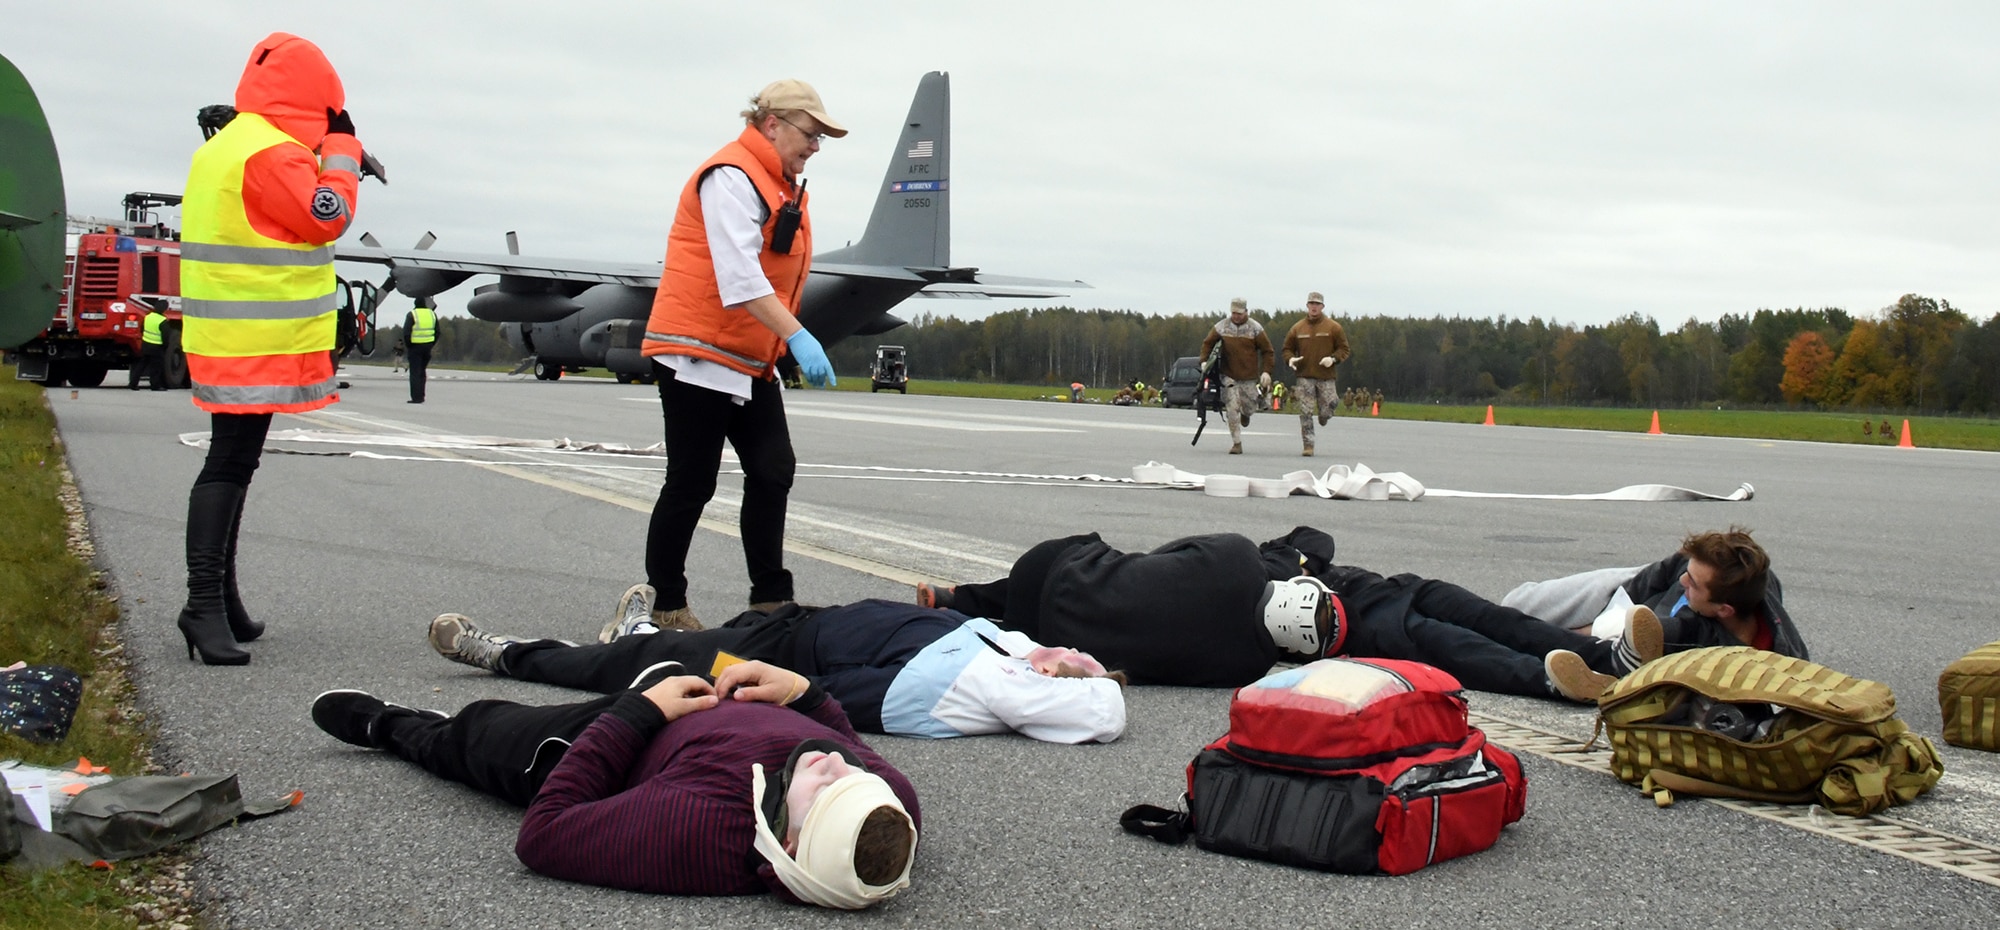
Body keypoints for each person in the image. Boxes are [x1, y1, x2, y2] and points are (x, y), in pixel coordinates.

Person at [310, 659, 919, 907]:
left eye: (828, 790)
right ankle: (530, 652)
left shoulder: (698, 828)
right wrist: (804, 694)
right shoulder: (887, 798)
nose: (836, 764)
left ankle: (394, 726)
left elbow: (543, 837)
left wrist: (638, 715)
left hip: (615, 740)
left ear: (788, 848)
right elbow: (852, 744)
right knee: (674, 652)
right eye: (853, 777)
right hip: (695, 691)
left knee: (485, 737)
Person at [915, 527, 1663, 702]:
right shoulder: (1237, 559)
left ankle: (1578, 670)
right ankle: (1587, 665)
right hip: (1352, 594)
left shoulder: (1236, 661)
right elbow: (1304, 543)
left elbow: (1004, 607)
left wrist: (952, 606)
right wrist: (1303, 562)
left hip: (1331, 616)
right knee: (1460, 620)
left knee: (1443, 638)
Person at [174, 33, 365, 665]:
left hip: (225, 331)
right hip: (250, 337)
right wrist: (340, 151)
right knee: (228, 464)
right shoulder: (273, 153)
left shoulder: (228, 145)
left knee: (236, 461)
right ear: (317, 97)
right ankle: (202, 604)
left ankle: (221, 601)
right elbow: (326, 215)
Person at [637, 80, 847, 633]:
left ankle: (771, 601)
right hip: (697, 353)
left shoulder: (782, 185)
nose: (816, 147)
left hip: (748, 356)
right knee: (692, 480)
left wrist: (780, 345)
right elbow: (740, 278)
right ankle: (667, 604)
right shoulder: (730, 177)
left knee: (774, 468)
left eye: (822, 138)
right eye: (811, 133)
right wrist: (799, 335)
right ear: (772, 123)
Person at [427, 590, 1126, 743]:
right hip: (802, 619)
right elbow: (1097, 679)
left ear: (1046, 689)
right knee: (643, 647)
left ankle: (501, 653)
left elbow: (825, 699)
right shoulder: (1008, 645)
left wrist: (761, 690)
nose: (1071, 656)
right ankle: (632, 629)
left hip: (773, 659)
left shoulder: (955, 694)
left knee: (626, 668)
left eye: (1070, 667)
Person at [1501, 526, 1805, 660]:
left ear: (1723, 609)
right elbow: (1673, 570)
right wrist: (1619, 601)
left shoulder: (1694, 634)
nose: (1687, 580)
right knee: (1516, 604)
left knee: (1523, 631)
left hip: (1636, 622)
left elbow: (1645, 632)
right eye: (1691, 572)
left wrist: (1597, 631)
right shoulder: (1755, 580)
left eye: (1694, 584)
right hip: (1633, 588)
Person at [1198, 298, 1273, 454]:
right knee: (1232, 408)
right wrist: (1204, 362)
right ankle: (1236, 443)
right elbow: (1207, 343)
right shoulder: (1221, 327)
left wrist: (1266, 371)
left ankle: (1246, 414)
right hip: (1228, 375)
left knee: (1249, 407)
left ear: (1246, 312)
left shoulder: (1255, 328)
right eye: (1233, 313)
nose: (1236, 316)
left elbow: (1267, 351)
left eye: (1239, 313)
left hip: (1249, 377)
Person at [1281, 291, 1350, 457]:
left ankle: (1324, 416)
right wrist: (1290, 359)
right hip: (1304, 375)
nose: (1314, 306)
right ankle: (1308, 445)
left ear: (1322, 306)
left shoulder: (1333, 327)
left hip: (1326, 375)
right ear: (1307, 306)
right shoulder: (1297, 328)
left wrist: (1333, 359)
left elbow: (1344, 349)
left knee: (1331, 403)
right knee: (1305, 411)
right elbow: (1287, 349)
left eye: (1317, 304)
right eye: (1311, 303)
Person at [402, 296, 437, 403]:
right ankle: (421, 396)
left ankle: (416, 398)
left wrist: (409, 346)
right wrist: (431, 344)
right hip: (427, 348)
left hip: (415, 347)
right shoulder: (432, 314)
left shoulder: (412, 314)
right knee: (422, 372)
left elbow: (407, 332)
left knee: (415, 373)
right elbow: (438, 331)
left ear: (415, 304)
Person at [128, 305, 169, 390]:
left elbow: (142, 329)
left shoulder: (147, 317)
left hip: (146, 345)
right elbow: (165, 336)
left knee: (141, 365)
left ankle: (133, 384)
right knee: (156, 367)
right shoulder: (162, 320)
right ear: (164, 310)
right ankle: (155, 386)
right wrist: (165, 346)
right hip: (157, 347)